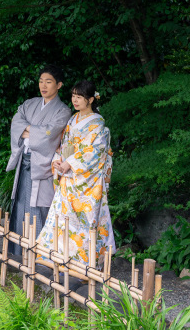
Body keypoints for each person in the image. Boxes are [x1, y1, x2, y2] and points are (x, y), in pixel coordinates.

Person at [36, 80, 116, 268]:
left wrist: (69, 164)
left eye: (79, 97)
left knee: (84, 220)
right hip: (68, 176)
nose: (75, 100)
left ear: (90, 99)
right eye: (73, 95)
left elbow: (94, 152)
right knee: (62, 217)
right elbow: (64, 144)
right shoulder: (73, 119)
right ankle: (57, 257)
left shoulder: (98, 124)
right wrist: (58, 159)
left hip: (88, 181)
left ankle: (82, 263)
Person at [7, 65, 71, 258]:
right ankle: (17, 253)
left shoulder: (63, 111)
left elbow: (47, 137)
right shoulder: (30, 104)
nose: (43, 85)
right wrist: (35, 131)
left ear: (59, 85)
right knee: (19, 205)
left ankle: (39, 256)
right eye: (41, 81)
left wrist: (27, 131)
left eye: (49, 82)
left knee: (39, 207)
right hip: (24, 163)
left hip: (43, 167)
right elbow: (16, 123)